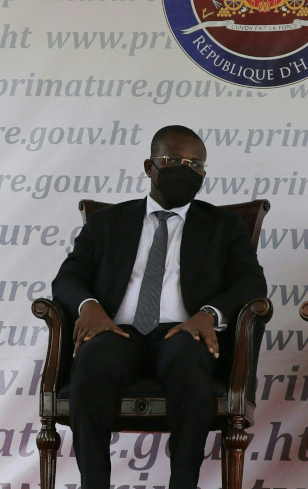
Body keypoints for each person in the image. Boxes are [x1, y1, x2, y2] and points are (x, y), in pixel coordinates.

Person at [52, 125, 267, 489]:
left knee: (188, 362)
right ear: (150, 166)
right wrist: (89, 306)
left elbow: (251, 283)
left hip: (182, 331)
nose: (186, 169)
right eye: (173, 160)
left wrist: (208, 314)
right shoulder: (107, 222)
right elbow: (67, 278)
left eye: (196, 164)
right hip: (117, 331)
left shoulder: (224, 226)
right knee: (90, 364)